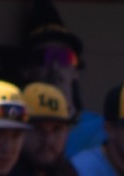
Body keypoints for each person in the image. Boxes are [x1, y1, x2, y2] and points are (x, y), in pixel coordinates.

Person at [22, 13, 104, 154]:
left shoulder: (103, 129)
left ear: (77, 70)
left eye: (64, 57)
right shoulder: (17, 129)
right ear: (26, 70)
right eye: (43, 58)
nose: (54, 67)